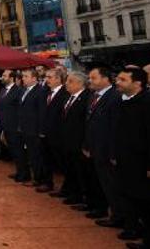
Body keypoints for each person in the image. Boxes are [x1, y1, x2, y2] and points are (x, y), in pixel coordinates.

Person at [114, 67, 150, 249]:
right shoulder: (126, 103)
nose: (118, 82)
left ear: (138, 83)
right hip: (130, 165)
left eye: (123, 79)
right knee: (142, 207)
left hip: (148, 168)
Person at [83, 66, 123, 224]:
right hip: (95, 149)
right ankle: (113, 212)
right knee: (104, 185)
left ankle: (120, 217)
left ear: (106, 79)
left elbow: (115, 128)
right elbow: (89, 122)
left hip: (107, 151)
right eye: (89, 78)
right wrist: (87, 145)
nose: (90, 81)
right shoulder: (93, 96)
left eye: (94, 78)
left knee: (113, 186)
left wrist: (113, 153)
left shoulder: (114, 97)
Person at [55, 71, 90, 207]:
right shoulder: (69, 98)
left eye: (70, 81)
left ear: (80, 84)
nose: (66, 84)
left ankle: (83, 197)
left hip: (78, 143)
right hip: (67, 142)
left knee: (81, 172)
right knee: (71, 170)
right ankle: (73, 193)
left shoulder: (86, 97)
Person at [37, 68, 69, 193]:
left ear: (58, 79)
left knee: (62, 162)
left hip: (58, 135)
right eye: (46, 77)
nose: (46, 80)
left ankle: (67, 187)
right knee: (46, 159)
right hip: (44, 133)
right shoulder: (45, 92)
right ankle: (47, 182)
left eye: (50, 77)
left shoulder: (65, 93)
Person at [18, 69, 46, 187]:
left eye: (26, 76)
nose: (23, 78)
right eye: (23, 76)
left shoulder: (40, 91)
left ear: (34, 78)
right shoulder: (24, 90)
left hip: (34, 129)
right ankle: (34, 176)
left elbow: (41, 112)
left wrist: (40, 130)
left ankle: (39, 179)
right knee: (30, 154)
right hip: (25, 128)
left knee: (36, 156)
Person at [0, 70, 24, 182]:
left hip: (15, 126)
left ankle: (24, 173)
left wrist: (19, 125)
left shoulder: (18, 91)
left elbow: (20, 110)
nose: (2, 77)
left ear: (12, 78)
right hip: (6, 126)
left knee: (19, 151)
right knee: (13, 151)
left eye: (4, 76)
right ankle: (19, 171)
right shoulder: (3, 90)